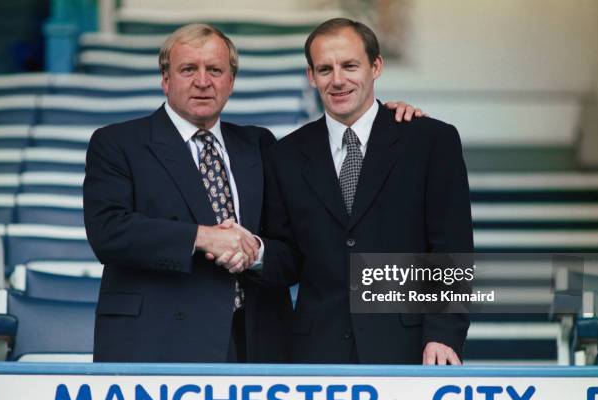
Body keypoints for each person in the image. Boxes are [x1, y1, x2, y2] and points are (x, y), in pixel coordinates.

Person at [83, 23, 422, 363]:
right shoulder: (117, 144)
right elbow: (108, 232)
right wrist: (203, 238)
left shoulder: (261, 146)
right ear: (165, 79)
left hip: (255, 342)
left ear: (230, 81)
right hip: (158, 342)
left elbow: (294, 246)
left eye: (215, 70)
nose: (203, 81)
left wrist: (378, 122)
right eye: (188, 69)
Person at [255, 18, 473, 365]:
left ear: (376, 66)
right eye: (325, 69)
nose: (337, 79)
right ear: (311, 77)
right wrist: (253, 252)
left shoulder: (431, 141)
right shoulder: (285, 155)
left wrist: (443, 334)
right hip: (316, 354)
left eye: (350, 66)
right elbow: (289, 258)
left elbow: (451, 249)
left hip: (410, 348)